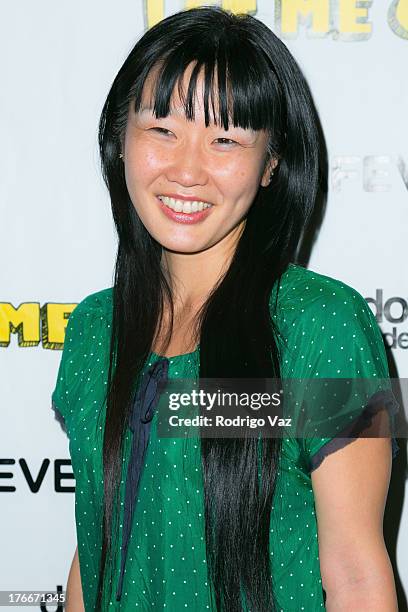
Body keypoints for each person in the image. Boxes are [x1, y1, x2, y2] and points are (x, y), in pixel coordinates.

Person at [51, 6, 400, 611]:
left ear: (271, 164)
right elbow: (95, 550)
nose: (186, 170)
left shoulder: (322, 327)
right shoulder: (92, 329)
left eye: (225, 140)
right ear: (120, 137)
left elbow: (358, 578)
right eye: (162, 130)